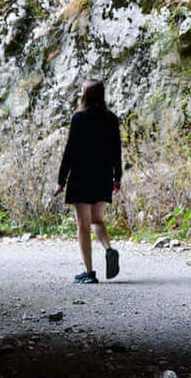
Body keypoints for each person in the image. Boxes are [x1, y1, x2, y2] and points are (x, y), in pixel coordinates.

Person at [53, 78, 123, 283]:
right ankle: (109, 249)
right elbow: (116, 150)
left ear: (86, 94)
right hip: (102, 175)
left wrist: (61, 180)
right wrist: (116, 177)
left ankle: (89, 272)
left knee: (83, 224)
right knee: (97, 220)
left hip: (81, 175)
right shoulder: (111, 118)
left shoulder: (79, 118)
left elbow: (70, 150)